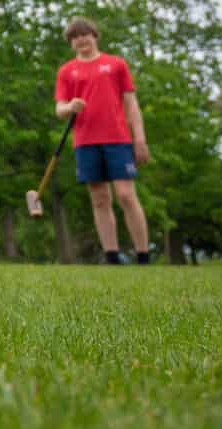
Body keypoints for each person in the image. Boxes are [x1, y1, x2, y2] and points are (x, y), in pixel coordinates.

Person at [55, 17, 151, 265]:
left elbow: (131, 103)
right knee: (99, 198)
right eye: (75, 37)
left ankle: (143, 255)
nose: (81, 39)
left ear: (95, 36)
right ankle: (112, 256)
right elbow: (59, 109)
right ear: (71, 43)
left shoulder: (116, 64)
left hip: (117, 138)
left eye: (85, 34)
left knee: (126, 195)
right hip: (85, 141)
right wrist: (70, 107)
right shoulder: (66, 71)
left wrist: (139, 139)